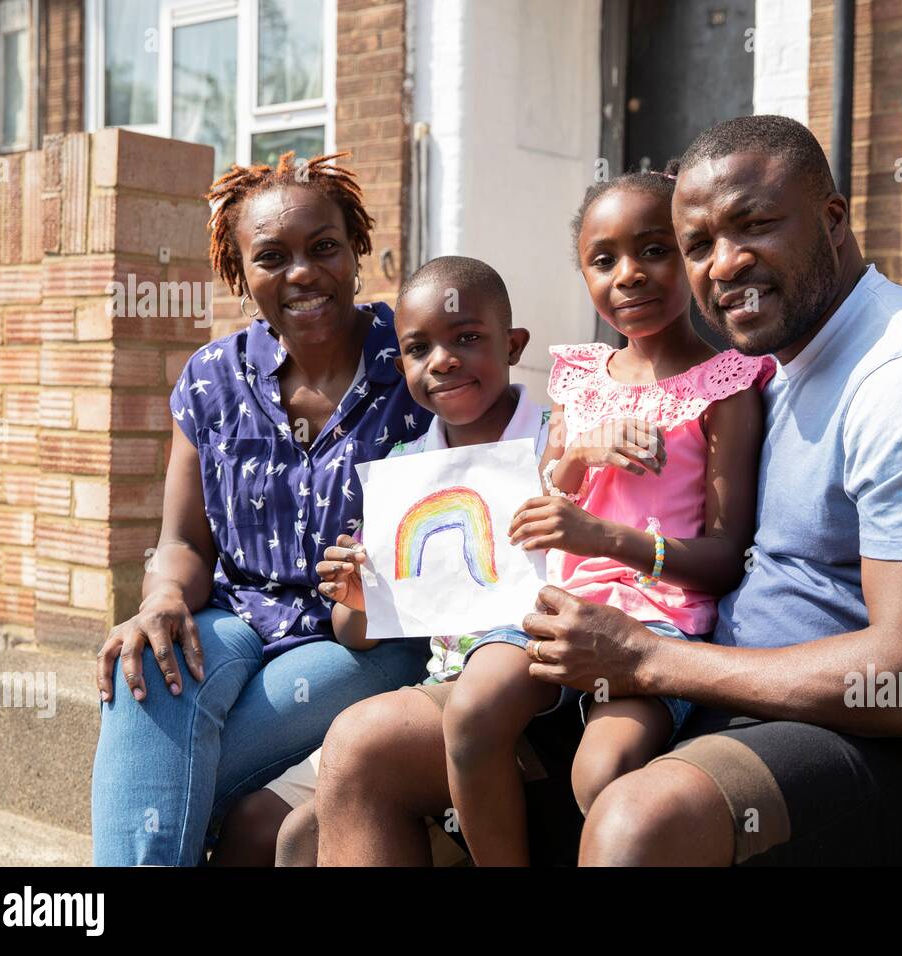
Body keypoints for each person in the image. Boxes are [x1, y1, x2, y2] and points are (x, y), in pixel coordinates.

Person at [518, 114, 902, 865]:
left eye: (753, 225)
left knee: (636, 826)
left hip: (887, 754)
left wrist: (646, 660)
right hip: (722, 690)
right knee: (376, 753)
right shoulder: (775, 368)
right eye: (697, 246)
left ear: (833, 221)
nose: (723, 265)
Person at [314, 170, 769, 866]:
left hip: (652, 621)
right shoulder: (579, 383)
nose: (630, 276)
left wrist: (603, 536)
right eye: (604, 259)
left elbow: (722, 553)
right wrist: (579, 460)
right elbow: (540, 507)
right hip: (549, 607)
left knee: (601, 775)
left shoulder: (725, 386)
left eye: (655, 250)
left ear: (692, 251)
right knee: (470, 711)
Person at [90, 152, 432, 866]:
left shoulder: (414, 359)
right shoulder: (211, 380)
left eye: (324, 247)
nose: (302, 273)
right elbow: (184, 540)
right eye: (272, 257)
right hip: (237, 616)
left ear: (357, 247)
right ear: (241, 274)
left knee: (175, 768)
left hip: (361, 633)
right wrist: (161, 599)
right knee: (147, 668)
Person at [216, 254, 547, 867]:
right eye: (419, 349)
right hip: (436, 684)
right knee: (262, 823)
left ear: (515, 344)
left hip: (530, 696)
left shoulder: (555, 441)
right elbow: (359, 633)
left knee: (322, 810)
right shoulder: (405, 470)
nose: (442, 360)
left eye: (467, 338)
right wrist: (358, 597)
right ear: (402, 367)